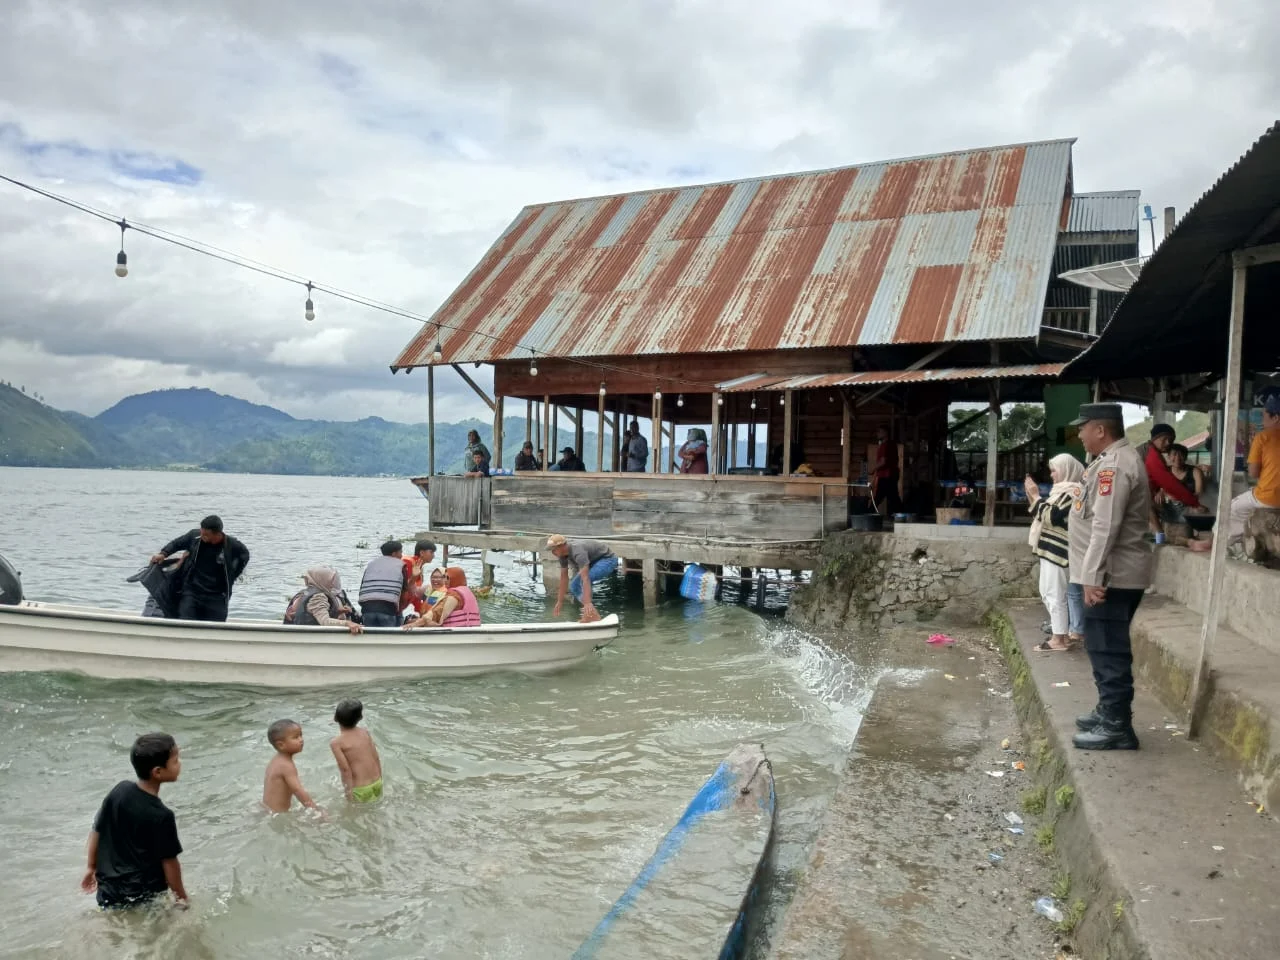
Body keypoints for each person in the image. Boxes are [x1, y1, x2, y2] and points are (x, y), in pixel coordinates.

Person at [1066, 403, 1152, 751]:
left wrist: (1092, 576)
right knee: (1102, 646)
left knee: (1109, 650)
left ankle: (1117, 726)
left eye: (1083, 427)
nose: (1079, 434)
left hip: (1112, 576)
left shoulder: (1115, 466)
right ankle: (1108, 710)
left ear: (1100, 430)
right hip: (1111, 573)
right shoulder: (1108, 461)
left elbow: (1106, 526)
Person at [82, 733, 187, 909]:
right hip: (143, 894)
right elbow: (169, 862)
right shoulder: (162, 815)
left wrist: (91, 867)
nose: (180, 763)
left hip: (109, 890)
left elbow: (97, 830)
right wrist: (181, 898)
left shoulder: (119, 791)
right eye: (175, 761)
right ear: (157, 772)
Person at [1025, 454, 1085, 653]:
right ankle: (1061, 634)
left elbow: (1052, 516)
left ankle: (1059, 639)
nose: (1052, 475)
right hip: (1049, 549)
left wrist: (1035, 496)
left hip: (1059, 551)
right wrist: (1032, 496)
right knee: (1047, 592)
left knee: (1055, 594)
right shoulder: (1060, 492)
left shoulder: (1074, 492)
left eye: (1054, 470)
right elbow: (1041, 513)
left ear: (1067, 470)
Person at [151, 515, 250, 622]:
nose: (201, 536)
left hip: (217, 595)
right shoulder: (195, 536)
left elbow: (245, 555)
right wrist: (163, 554)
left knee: (216, 626)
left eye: (206, 535)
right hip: (192, 591)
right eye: (201, 532)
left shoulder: (232, 545)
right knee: (185, 621)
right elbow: (176, 544)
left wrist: (233, 574)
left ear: (218, 534)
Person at [1229, 394, 1280, 544]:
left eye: (1264, 416)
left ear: (1275, 417)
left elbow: (1253, 473)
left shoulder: (1263, 437)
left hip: (1269, 498)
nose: (1262, 420)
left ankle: (1231, 545)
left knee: (1232, 508)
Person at [547, 534, 617, 623]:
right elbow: (564, 578)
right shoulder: (562, 556)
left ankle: (591, 615)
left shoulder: (578, 552)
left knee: (579, 581)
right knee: (574, 586)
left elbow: (585, 578)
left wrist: (587, 602)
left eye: (554, 549)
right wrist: (560, 601)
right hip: (592, 562)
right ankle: (591, 614)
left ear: (562, 546)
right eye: (551, 550)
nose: (553, 552)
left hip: (607, 559)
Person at [1143, 423, 1203, 525]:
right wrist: (1194, 503)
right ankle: (1159, 532)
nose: (1167, 443)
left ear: (1186, 457)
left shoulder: (1195, 471)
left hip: (1184, 506)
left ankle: (1159, 532)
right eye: (1164, 439)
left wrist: (1193, 503)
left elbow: (1200, 494)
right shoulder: (1152, 455)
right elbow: (1168, 484)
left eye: (1170, 441)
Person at [331, 699, 383, 803]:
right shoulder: (365, 732)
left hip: (361, 789)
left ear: (335, 718)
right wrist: (380, 779)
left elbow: (345, 770)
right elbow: (376, 757)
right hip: (377, 782)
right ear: (360, 717)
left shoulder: (336, 743)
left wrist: (348, 795)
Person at [262, 719, 318, 813]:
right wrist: (315, 810)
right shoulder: (286, 765)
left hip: (267, 811)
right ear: (281, 745)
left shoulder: (276, 761)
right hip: (277, 815)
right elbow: (298, 790)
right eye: (296, 737)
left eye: (301, 735)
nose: (301, 740)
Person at [287, 566, 363, 634]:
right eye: (331, 580)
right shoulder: (318, 597)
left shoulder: (306, 592)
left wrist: (337, 611)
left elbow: (312, 615)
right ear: (322, 580)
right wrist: (347, 623)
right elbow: (325, 621)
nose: (333, 583)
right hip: (311, 637)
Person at [403, 567, 481, 628]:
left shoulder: (453, 595)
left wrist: (417, 623)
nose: (445, 580)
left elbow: (437, 612)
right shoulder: (428, 589)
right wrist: (414, 577)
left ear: (455, 578)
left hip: (453, 629)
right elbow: (413, 591)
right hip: (467, 627)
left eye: (447, 578)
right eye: (433, 577)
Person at [358, 540, 409, 627]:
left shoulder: (371, 565)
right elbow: (404, 594)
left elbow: (362, 588)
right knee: (391, 634)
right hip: (387, 610)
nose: (401, 555)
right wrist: (399, 610)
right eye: (400, 552)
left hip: (367, 610)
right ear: (394, 554)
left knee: (370, 635)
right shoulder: (400, 566)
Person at [401, 540, 437, 617]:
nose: (433, 556)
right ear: (422, 553)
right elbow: (406, 588)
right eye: (431, 552)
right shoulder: (408, 563)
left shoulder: (418, 566)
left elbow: (414, 594)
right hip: (399, 606)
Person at [872, 426, 900, 515]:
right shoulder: (893, 445)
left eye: (879, 432)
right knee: (893, 498)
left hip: (886, 476)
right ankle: (901, 514)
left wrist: (873, 469)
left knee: (879, 497)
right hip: (892, 475)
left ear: (886, 433)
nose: (877, 434)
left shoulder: (885, 445)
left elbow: (883, 462)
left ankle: (868, 513)